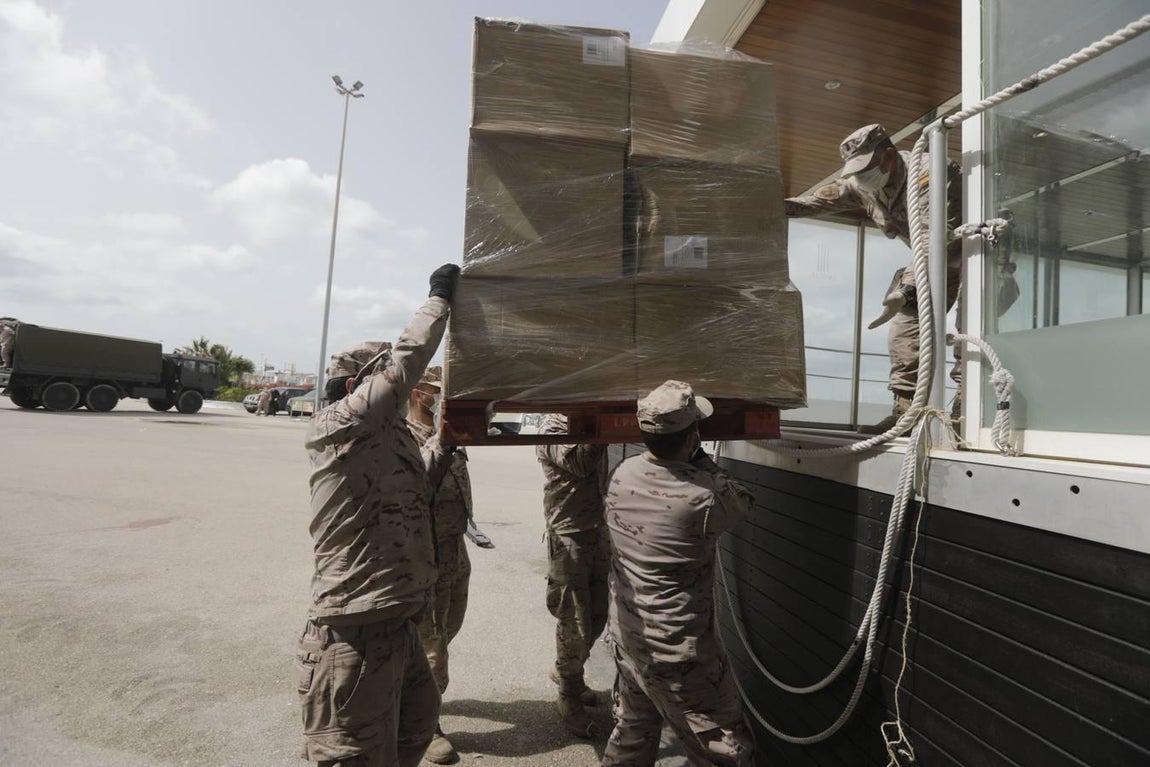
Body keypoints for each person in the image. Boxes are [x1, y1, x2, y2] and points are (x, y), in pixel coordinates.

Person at [295, 262, 460, 767]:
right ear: (355, 387)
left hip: (398, 622)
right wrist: (439, 300)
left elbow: (416, 491)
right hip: (354, 630)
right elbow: (407, 359)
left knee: (409, 739)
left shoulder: (385, 439)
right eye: (379, 380)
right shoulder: (342, 422)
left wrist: (447, 442)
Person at [601, 381, 755, 767]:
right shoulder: (703, 498)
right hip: (679, 657)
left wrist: (686, 449)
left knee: (634, 733)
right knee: (726, 751)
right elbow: (741, 500)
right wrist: (700, 457)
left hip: (629, 639)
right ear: (690, 437)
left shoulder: (622, 474)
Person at [785, 123, 964, 432]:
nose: (861, 177)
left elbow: (935, 241)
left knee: (973, 330)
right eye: (856, 170)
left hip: (973, 254)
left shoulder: (929, 173)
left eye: (867, 168)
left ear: (890, 155)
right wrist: (772, 208)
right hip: (928, 258)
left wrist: (907, 290)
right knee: (903, 329)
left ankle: (967, 409)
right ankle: (906, 411)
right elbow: (819, 201)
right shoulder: (861, 182)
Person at [407, 366, 474, 765]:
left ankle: (416, 696)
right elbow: (419, 488)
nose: (443, 401)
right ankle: (424, 725)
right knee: (431, 646)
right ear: (418, 393)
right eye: (437, 392)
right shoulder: (409, 438)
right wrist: (445, 443)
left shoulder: (444, 433)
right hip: (426, 554)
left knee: (448, 629)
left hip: (454, 547)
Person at [535, 413, 610, 738]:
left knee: (598, 615)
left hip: (596, 528)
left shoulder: (587, 422)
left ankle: (571, 674)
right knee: (574, 620)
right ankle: (568, 692)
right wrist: (604, 427)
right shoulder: (552, 426)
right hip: (568, 534)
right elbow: (580, 462)